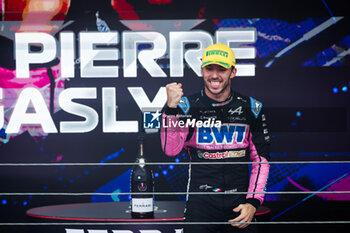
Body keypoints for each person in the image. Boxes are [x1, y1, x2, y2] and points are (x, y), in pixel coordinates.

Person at [160, 43, 270, 233]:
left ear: (233, 72)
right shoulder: (185, 106)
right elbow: (171, 150)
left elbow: (260, 160)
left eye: (222, 69)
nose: (214, 75)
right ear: (202, 70)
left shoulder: (252, 107)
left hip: (240, 205)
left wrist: (253, 202)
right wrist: (170, 109)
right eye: (209, 68)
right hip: (200, 205)